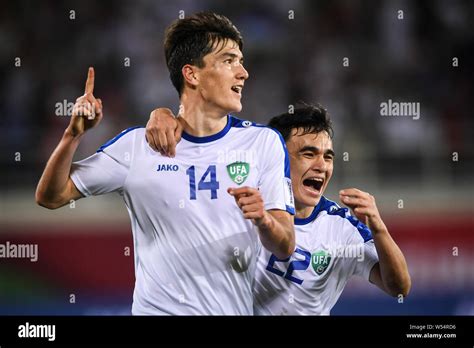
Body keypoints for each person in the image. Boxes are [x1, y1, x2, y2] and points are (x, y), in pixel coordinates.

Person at [35, 12, 295, 315]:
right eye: (229, 61)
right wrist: (72, 135)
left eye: (241, 60)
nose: (243, 72)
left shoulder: (262, 143)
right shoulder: (137, 147)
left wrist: (263, 219)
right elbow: (50, 197)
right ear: (192, 74)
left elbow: (286, 244)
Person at [145, 104, 411, 315]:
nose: (322, 165)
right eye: (308, 154)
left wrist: (378, 226)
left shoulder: (342, 227)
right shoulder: (242, 202)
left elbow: (399, 288)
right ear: (278, 158)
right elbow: (207, 131)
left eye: (328, 156)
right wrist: (164, 114)